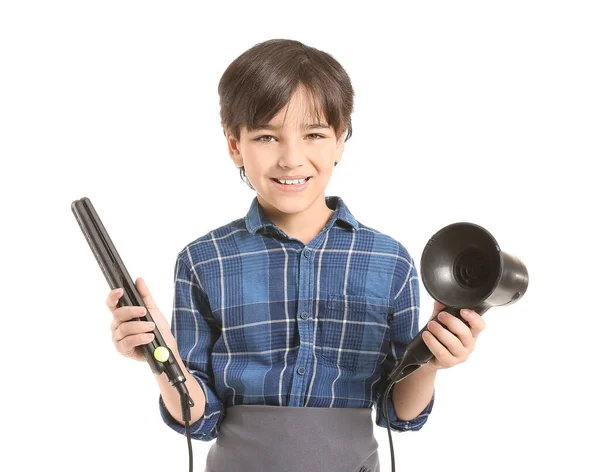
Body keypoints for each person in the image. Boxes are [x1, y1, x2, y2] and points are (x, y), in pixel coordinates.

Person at [106, 38, 486, 472]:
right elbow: (200, 418)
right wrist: (163, 359)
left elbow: (398, 411)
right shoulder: (204, 260)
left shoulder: (390, 261)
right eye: (267, 136)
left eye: (315, 135)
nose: (291, 158)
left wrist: (431, 361)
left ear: (340, 142)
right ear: (235, 146)